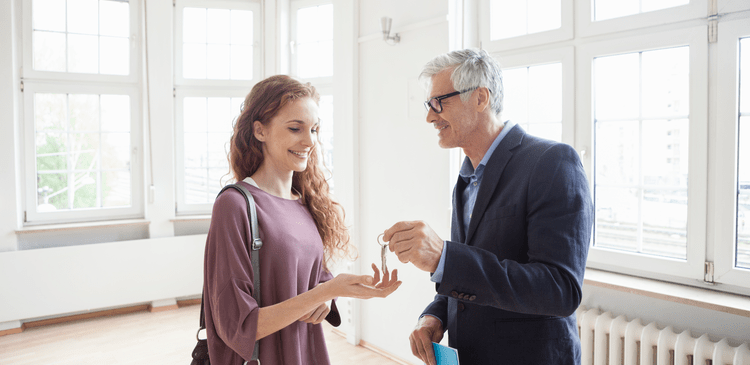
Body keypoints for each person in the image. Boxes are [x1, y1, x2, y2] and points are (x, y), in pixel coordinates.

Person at [383, 49, 593, 365]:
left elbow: (559, 290)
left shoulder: (551, 162)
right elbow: (468, 274)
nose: (430, 116)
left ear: (481, 98)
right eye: (429, 104)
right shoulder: (466, 178)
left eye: (439, 102)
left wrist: (444, 257)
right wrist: (435, 317)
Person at [204, 74, 401, 365]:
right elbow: (240, 326)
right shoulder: (234, 205)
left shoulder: (304, 203)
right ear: (260, 131)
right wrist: (328, 290)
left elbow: (312, 286)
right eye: (296, 128)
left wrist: (334, 294)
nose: (310, 141)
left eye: (315, 129)